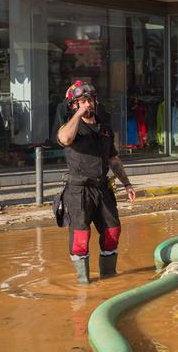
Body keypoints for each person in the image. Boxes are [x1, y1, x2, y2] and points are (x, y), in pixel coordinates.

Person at [56, 81, 136, 284]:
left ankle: (109, 278)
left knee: (113, 231)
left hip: (102, 189)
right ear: (73, 105)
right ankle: (83, 283)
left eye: (90, 99)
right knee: (81, 238)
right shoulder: (70, 127)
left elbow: (113, 159)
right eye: (82, 101)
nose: (87, 104)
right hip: (79, 191)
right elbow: (65, 139)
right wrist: (78, 113)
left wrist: (127, 184)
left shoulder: (105, 128)